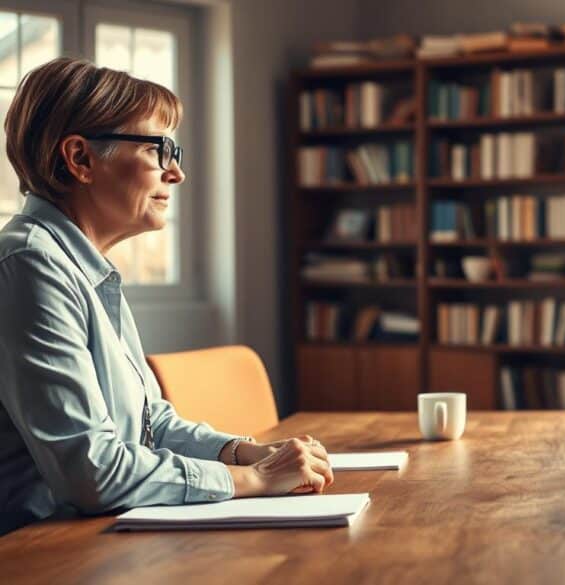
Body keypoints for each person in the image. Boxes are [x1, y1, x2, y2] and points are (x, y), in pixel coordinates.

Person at [0, 58, 335, 535]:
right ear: (80, 159)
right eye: (161, 149)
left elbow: (150, 422)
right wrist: (253, 479)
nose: (176, 173)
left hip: (95, 537)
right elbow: (92, 473)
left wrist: (246, 452)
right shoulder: (30, 265)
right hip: (40, 553)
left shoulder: (82, 266)